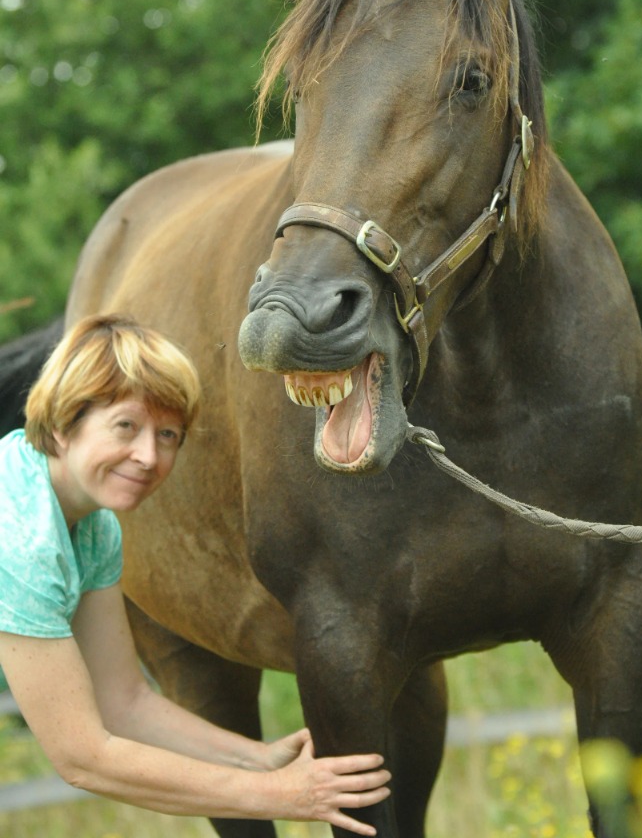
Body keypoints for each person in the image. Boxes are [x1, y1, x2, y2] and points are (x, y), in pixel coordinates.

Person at [0, 313, 390, 835]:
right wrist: (280, 796)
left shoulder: (93, 526)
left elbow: (124, 703)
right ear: (64, 423)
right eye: (125, 426)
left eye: (168, 435)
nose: (148, 456)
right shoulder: (20, 536)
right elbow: (83, 757)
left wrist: (259, 758)